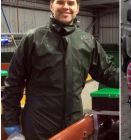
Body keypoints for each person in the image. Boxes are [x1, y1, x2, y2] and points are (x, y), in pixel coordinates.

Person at [2, 0, 119, 139]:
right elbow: (13, 84)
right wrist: (12, 126)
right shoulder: (32, 39)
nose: (66, 7)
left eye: (71, 3)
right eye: (60, 2)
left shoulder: (88, 41)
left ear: (77, 8)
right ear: (52, 6)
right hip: (38, 126)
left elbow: (108, 73)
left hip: (73, 125)